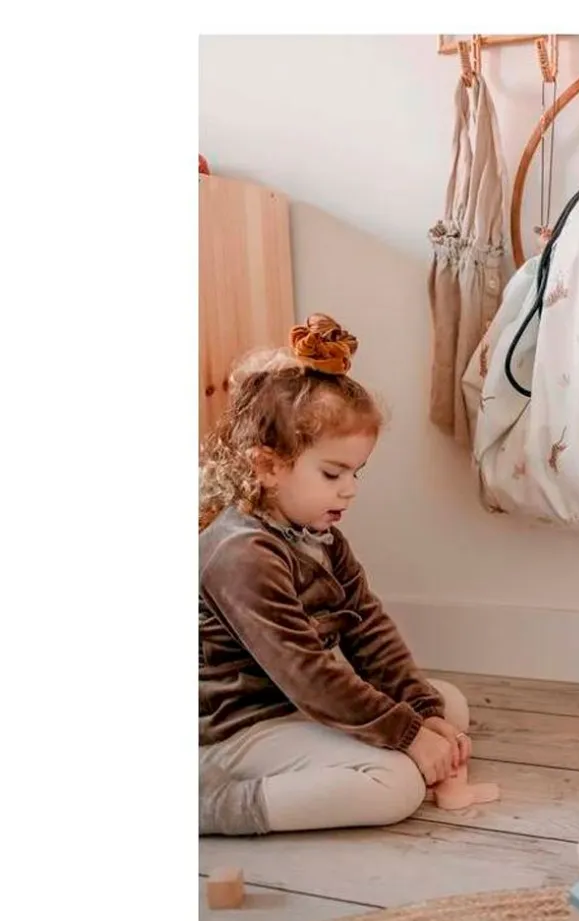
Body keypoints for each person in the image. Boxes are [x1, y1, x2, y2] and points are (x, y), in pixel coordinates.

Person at [198, 313, 470, 836]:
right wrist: (407, 736)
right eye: (332, 473)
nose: (350, 489)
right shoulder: (241, 552)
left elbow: (367, 629)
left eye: (356, 472)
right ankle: (213, 807)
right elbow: (307, 672)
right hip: (236, 729)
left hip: (298, 707)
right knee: (396, 783)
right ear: (268, 467)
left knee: (446, 707)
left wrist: (419, 712)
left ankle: (378, 741)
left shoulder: (319, 535)